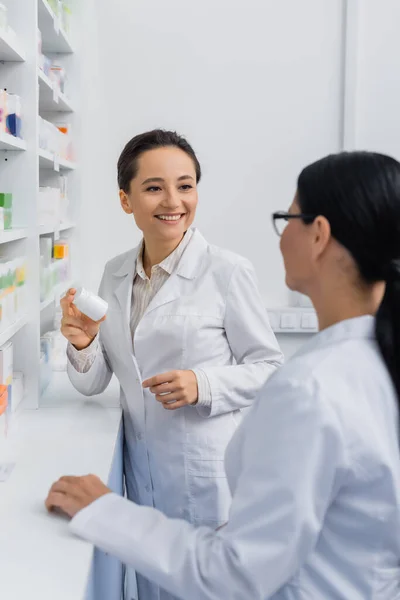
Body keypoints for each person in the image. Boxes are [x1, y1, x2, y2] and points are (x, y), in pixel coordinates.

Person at [58, 129, 283, 599]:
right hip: (142, 475)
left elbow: (269, 368)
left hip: (207, 477)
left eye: (186, 185)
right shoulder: (115, 273)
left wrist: (202, 384)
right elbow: (99, 381)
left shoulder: (226, 271)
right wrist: (83, 345)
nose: (173, 201)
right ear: (127, 200)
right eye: (154, 187)